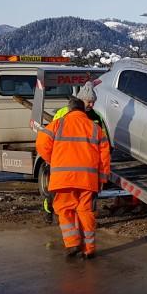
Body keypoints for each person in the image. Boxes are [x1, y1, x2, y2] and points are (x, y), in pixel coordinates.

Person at [36, 96, 111, 258]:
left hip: (62, 179)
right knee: (85, 211)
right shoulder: (95, 128)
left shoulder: (58, 124)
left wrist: (52, 159)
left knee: (65, 210)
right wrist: (103, 178)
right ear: (83, 110)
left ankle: (72, 244)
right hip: (87, 179)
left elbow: (41, 143)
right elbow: (105, 155)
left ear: (69, 109)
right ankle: (89, 249)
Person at [44, 81, 108, 219]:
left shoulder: (96, 117)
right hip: (63, 160)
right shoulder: (63, 113)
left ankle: (77, 221)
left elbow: (103, 140)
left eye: (93, 102)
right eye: (89, 101)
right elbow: (51, 136)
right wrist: (52, 158)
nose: (91, 105)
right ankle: (49, 211)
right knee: (56, 193)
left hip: (85, 163)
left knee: (83, 201)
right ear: (80, 100)